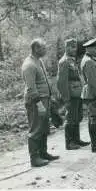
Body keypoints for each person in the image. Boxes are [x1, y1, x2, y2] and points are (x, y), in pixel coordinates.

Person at [21, 38, 60, 167]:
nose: (45, 50)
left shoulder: (39, 61)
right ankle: (34, 158)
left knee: (44, 128)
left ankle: (43, 153)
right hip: (36, 101)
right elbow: (31, 88)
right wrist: (39, 105)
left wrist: (50, 96)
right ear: (36, 49)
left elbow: (44, 80)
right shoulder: (29, 65)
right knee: (35, 129)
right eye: (43, 48)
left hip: (45, 98)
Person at [57, 38, 90, 150]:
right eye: (71, 47)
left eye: (75, 47)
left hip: (77, 93)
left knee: (77, 117)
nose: (74, 49)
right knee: (70, 118)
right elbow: (61, 82)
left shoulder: (72, 60)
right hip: (71, 95)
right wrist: (66, 98)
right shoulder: (64, 61)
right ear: (66, 48)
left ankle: (77, 139)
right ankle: (69, 142)